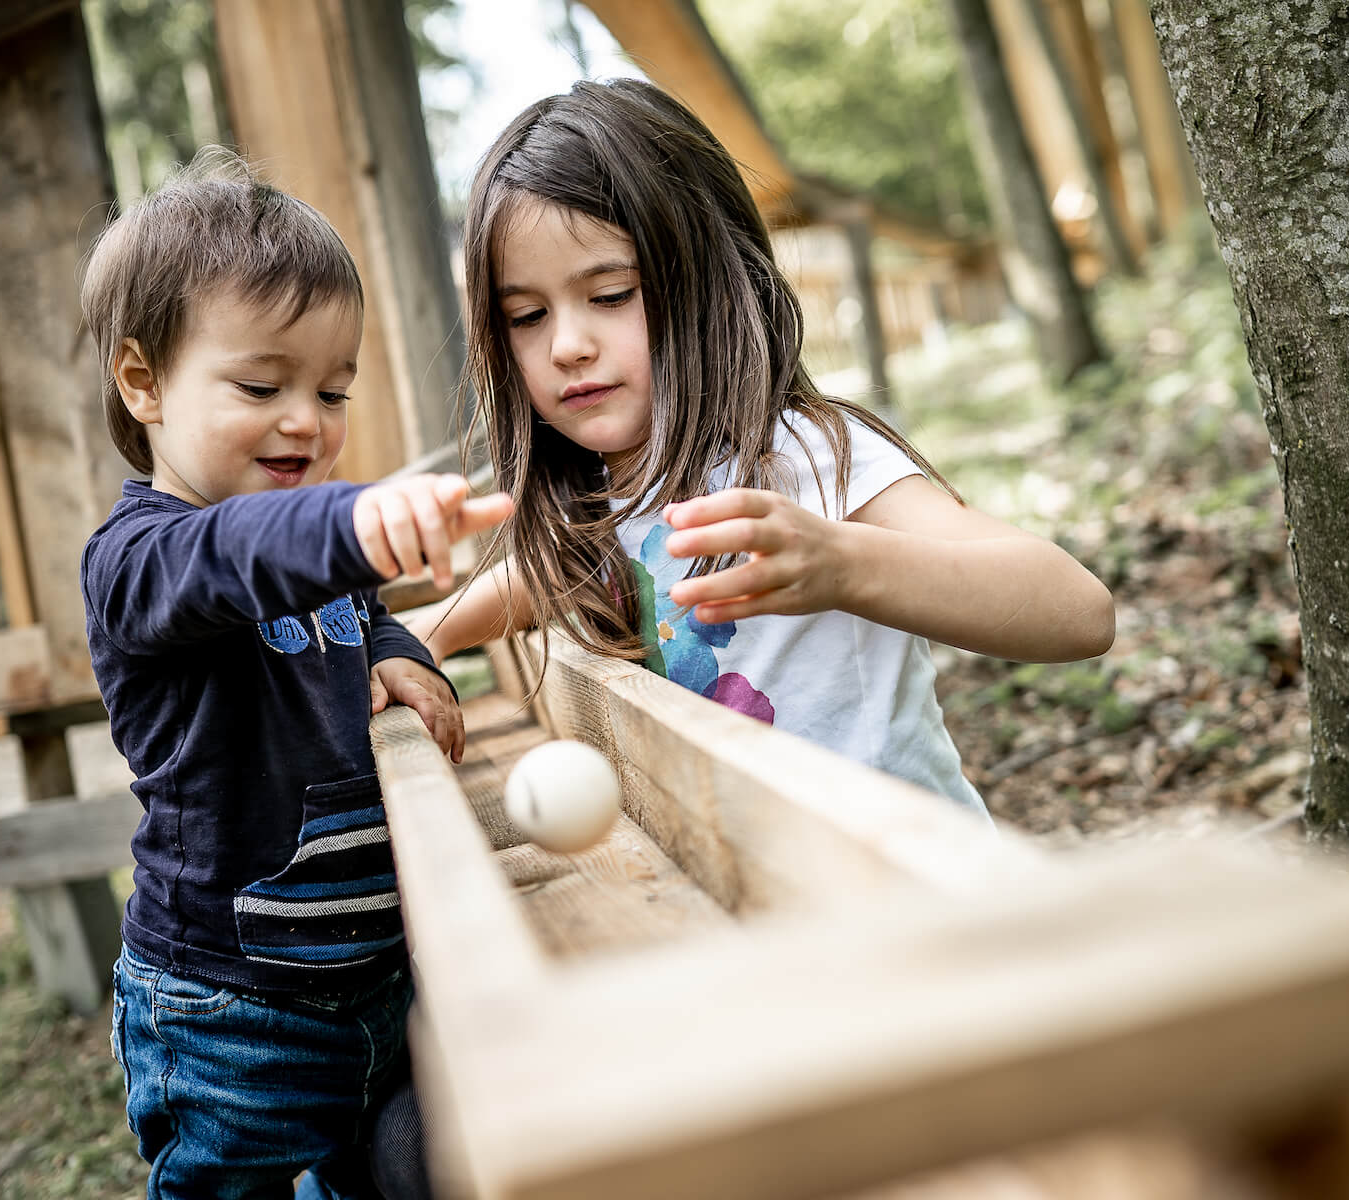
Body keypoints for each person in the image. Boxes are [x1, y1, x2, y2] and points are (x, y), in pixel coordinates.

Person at [410, 78, 1114, 818]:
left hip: (913, 894)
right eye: (526, 315)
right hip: (755, 902)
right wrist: (429, 632)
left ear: (708, 281)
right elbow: (549, 574)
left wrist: (845, 565)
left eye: (612, 295)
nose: (568, 346)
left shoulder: (804, 455)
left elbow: (1079, 610)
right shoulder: (602, 496)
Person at [77, 150, 510, 1199]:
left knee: (383, 1164)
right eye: (262, 385)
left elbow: (357, 617)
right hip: (230, 1010)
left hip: (374, 976)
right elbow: (241, 556)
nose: (307, 420)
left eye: (333, 389)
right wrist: (355, 517)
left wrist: (408, 661)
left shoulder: (309, 545)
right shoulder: (142, 561)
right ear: (144, 383)